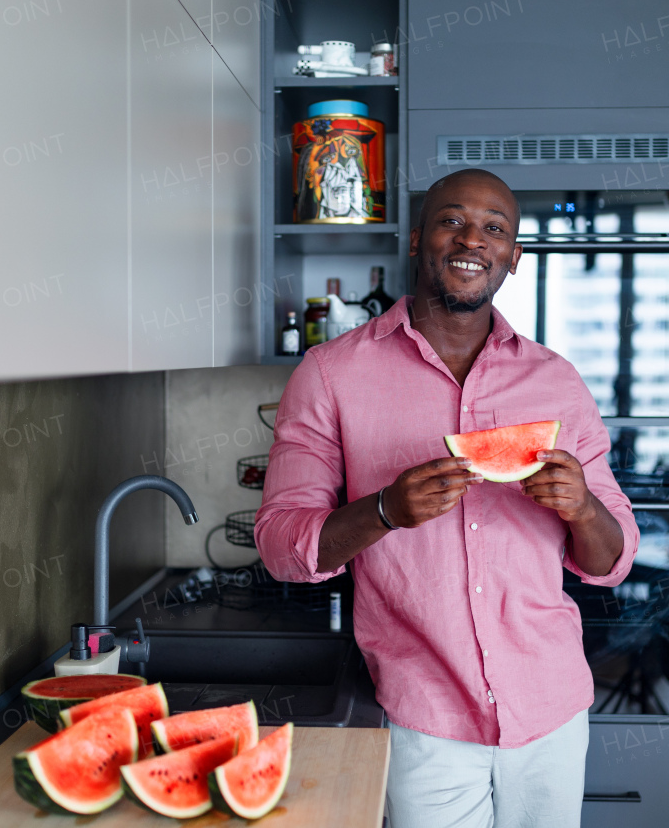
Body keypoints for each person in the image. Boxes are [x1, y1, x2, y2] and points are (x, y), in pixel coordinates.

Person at [255, 168, 639, 828]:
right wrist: (383, 512)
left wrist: (582, 505)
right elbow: (280, 545)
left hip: (551, 706)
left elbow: (613, 559)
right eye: (452, 219)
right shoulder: (329, 375)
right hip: (423, 715)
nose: (472, 238)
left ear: (514, 256)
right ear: (417, 238)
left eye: (495, 228)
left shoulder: (558, 382)